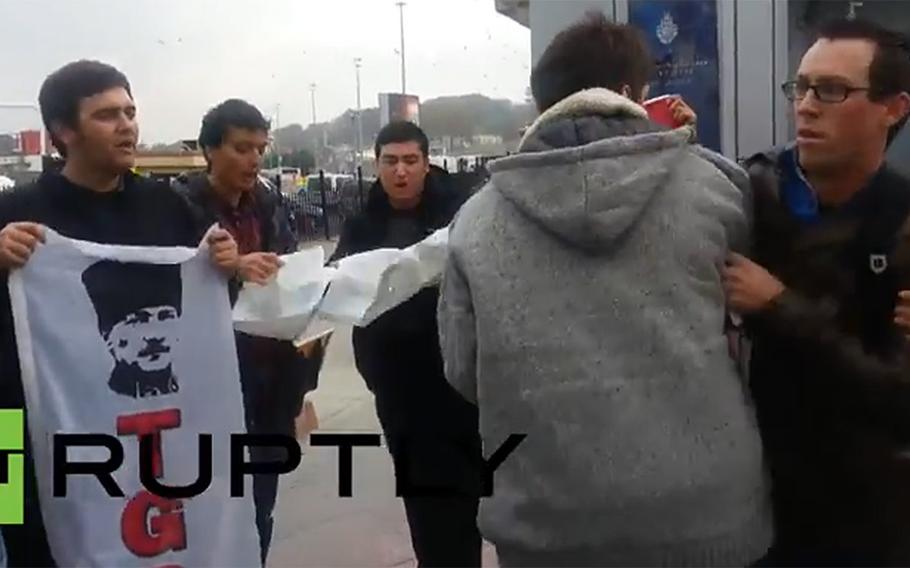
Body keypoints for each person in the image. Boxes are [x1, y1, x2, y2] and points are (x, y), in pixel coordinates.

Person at [437, 13, 772, 567]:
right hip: (709, 518)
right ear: (629, 94)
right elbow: (750, 327)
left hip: (545, 525)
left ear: (543, 100)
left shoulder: (474, 222)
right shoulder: (717, 187)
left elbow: (462, 368)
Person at [0, 60, 240, 568]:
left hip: (137, 424)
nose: (128, 125)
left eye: (130, 111)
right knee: (23, 537)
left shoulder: (169, 209)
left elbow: (205, 306)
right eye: (108, 115)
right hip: (14, 428)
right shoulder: (16, 211)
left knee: (144, 538)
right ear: (64, 131)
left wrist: (226, 265)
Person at [727, 19, 910, 566]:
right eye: (801, 87)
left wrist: (779, 306)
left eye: (831, 90)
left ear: (894, 108)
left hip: (862, 515)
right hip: (745, 498)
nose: (805, 106)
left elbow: (899, 400)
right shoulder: (748, 194)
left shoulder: (901, 223)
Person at [172, 98, 321, 565]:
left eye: (260, 147)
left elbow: (291, 268)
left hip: (271, 379)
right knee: (209, 506)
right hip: (211, 384)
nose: (254, 159)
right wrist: (230, 267)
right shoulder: (176, 208)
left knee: (260, 504)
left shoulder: (268, 203)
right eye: (241, 147)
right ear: (208, 150)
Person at [329, 121, 482, 568]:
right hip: (401, 390)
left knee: (478, 496)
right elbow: (340, 288)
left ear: (427, 163)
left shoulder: (463, 212)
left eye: (410, 161)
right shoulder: (363, 225)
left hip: (465, 382)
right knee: (425, 501)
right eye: (390, 162)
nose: (400, 172)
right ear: (376, 166)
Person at [82, 260, 182, 398]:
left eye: (165, 317)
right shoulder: (88, 401)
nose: (154, 335)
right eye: (138, 320)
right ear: (107, 336)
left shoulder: (200, 393)